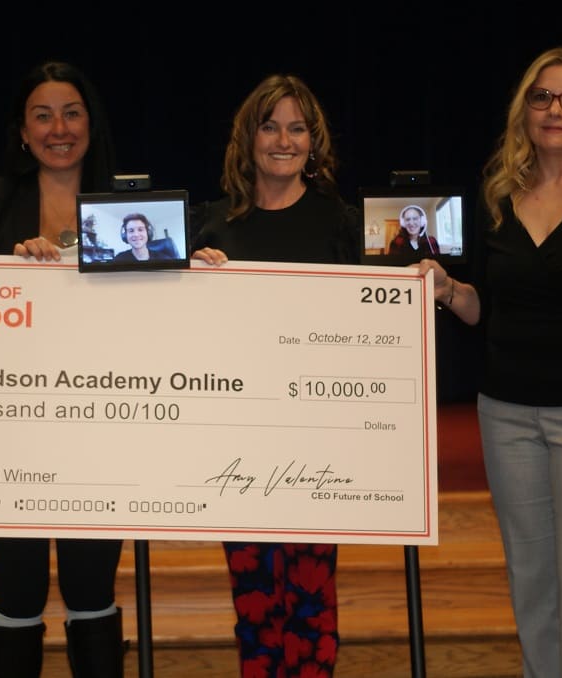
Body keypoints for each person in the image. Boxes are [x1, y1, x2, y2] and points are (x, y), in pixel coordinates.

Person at [418, 46, 562, 677]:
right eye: (542, 97)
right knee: (533, 584)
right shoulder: (497, 194)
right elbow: (487, 306)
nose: (555, 110)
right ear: (524, 109)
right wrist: (448, 291)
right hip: (506, 412)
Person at [0, 61, 125, 677]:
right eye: (42, 115)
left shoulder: (129, 204)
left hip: (102, 427)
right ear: (22, 131)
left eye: (72, 112)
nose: (59, 128)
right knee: (17, 591)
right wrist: (9, 265)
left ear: (91, 123)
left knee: (92, 590)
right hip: (11, 431)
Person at [192, 73, 360, 677]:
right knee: (256, 605)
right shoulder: (210, 226)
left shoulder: (344, 225)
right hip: (239, 445)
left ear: (314, 142)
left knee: (312, 607)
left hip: (318, 443)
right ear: (248, 137)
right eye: (270, 125)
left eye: (297, 127)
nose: (283, 140)